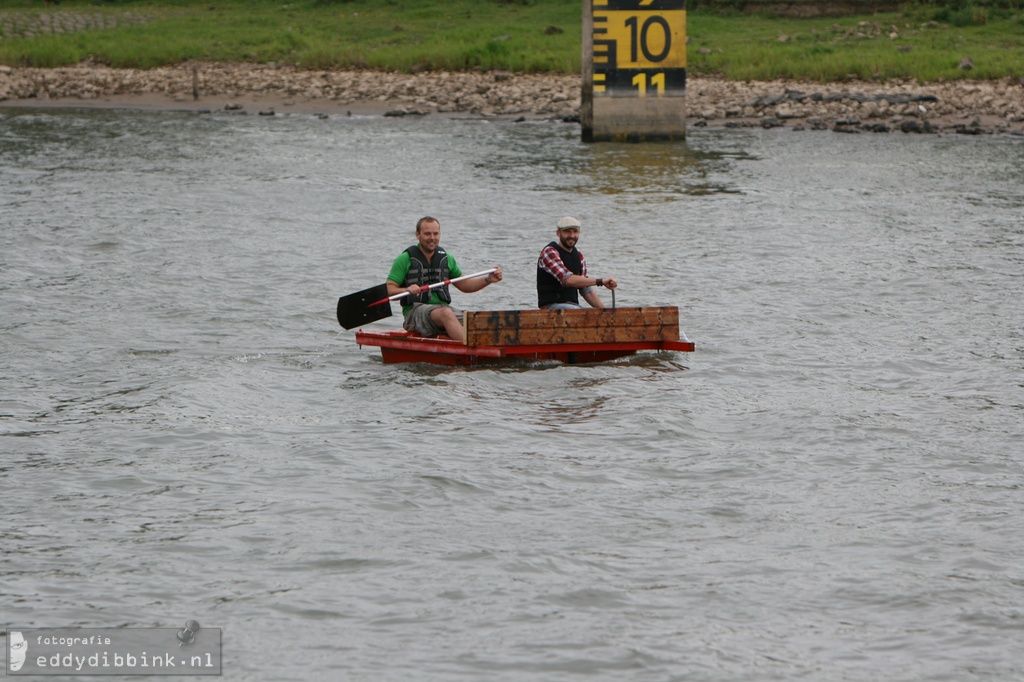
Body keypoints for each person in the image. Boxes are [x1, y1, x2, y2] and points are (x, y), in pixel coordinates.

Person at [387, 216, 503, 341]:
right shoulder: (404, 259)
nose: (432, 238)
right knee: (446, 313)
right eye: (427, 234)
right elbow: (388, 289)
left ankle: (495, 347)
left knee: (475, 319)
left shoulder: (447, 258)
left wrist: (488, 279)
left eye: (435, 234)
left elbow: (464, 285)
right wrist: (406, 290)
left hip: (441, 310)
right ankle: (471, 351)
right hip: (415, 312)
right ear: (417, 235)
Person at [537, 216, 617, 309]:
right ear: (558, 233)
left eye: (575, 231)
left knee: (593, 314)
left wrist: (605, 312)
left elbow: (586, 290)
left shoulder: (579, 255)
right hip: (550, 308)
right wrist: (601, 281)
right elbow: (568, 280)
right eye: (567, 231)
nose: (572, 235)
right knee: (579, 311)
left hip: (572, 307)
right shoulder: (550, 252)